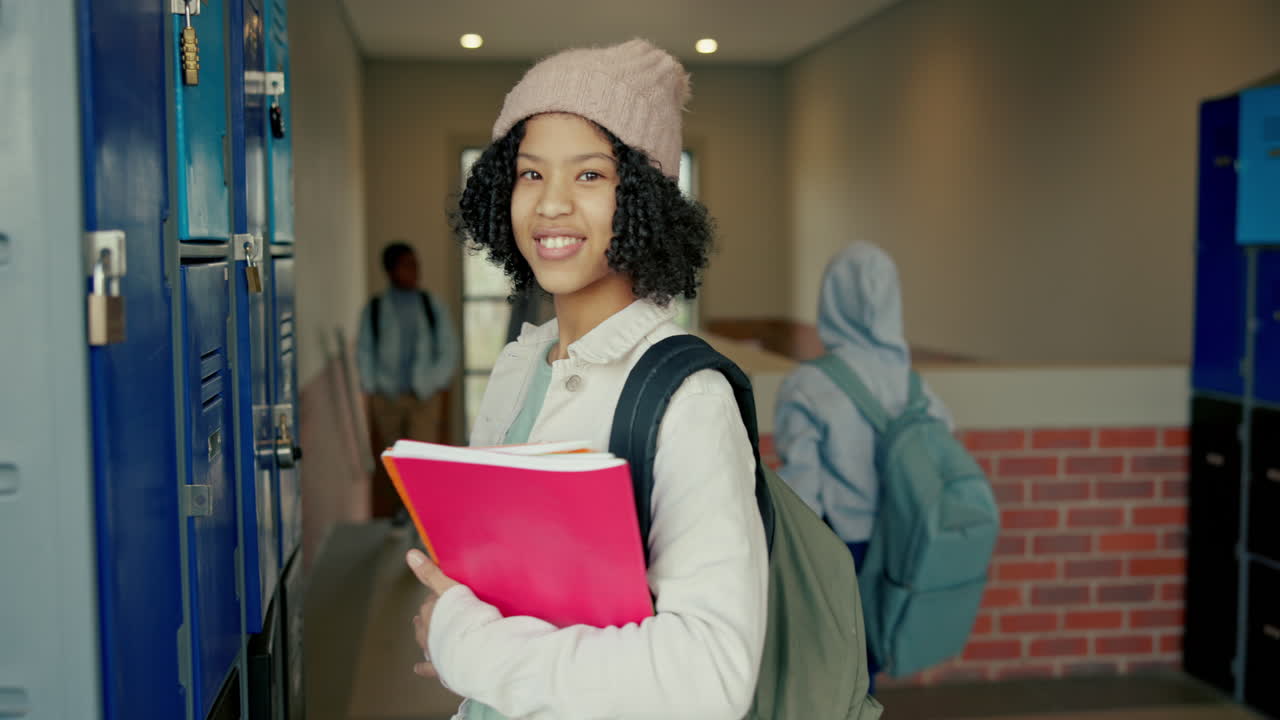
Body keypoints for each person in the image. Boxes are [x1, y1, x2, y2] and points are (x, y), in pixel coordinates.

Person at [403, 39, 768, 719]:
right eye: (530, 174)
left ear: (645, 200)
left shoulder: (688, 397)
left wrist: (465, 645)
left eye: (590, 176)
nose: (550, 206)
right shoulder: (522, 366)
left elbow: (708, 680)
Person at [772, 240, 954, 691]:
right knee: (867, 663)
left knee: (831, 674)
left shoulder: (809, 385)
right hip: (903, 544)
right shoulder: (914, 386)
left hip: (841, 547)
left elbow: (802, 496)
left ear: (830, 299)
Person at [357, 242, 459, 522]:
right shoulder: (376, 308)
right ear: (390, 271)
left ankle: (425, 516)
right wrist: (372, 386)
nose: (414, 271)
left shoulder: (430, 304)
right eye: (406, 265)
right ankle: (401, 512)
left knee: (422, 459)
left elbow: (449, 349)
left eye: (416, 264)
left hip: (424, 396)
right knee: (394, 460)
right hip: (387, 397)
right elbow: (365, 351)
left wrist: (435, 382)